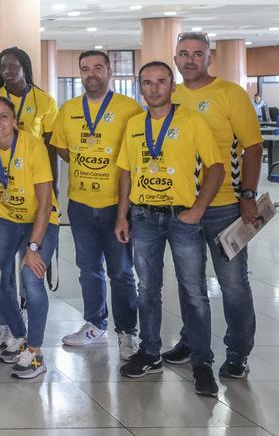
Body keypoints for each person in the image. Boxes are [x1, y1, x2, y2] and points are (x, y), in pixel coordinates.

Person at [114, 61, 224, 397]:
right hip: (144, 217)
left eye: (161, 81)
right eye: (146, 83)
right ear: (140, 87)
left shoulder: (191, 121)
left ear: (172, 86)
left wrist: (198, 210)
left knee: (193, 291)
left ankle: (201, 361)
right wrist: (122, 215)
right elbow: (126, 172)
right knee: (147, 288)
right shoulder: (134, 124)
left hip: (182, 218)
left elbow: (216, 168)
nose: (154, 88)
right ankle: (150, 352)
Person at [163, 32, 264, 378]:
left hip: (224, 208)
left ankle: (238, 352)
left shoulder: (229, 94)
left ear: (209, 58)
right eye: (183, 54)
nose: (190, 60)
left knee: (233, 284)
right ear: (175, 59)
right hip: (181, 209)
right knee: (190, 285)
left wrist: (248, 195)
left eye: (197, 54)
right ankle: (192, 340)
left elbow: (252, 147)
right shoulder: (169, 95)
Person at [50, 50, 142, 358]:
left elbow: (136, 156)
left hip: (117, 205)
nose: (91, 73)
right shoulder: (69, 109)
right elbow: (63, 151)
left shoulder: (129, 109)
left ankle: (128, 332)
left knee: (122, 271)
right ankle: (94, 324)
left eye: (98, 68)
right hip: (80, 203)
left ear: (110, 71)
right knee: (88, 269)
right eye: (85, 68)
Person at [0, 96, 59, 379]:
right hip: (6, 217)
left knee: (32, 279)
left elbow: (45, 202)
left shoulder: (33, 146)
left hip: (40, 220)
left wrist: (34, 247)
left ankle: (35, 352)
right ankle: (20, 337)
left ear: (14, 120)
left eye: (4, 116)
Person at [0, 47, 59, 188]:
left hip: (34, 167)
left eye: (12, 66)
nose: (6, 70)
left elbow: (51, 147)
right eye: (3, 67)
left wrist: (54, 185)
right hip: (0, 166)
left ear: (24, 68)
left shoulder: (45, 101)